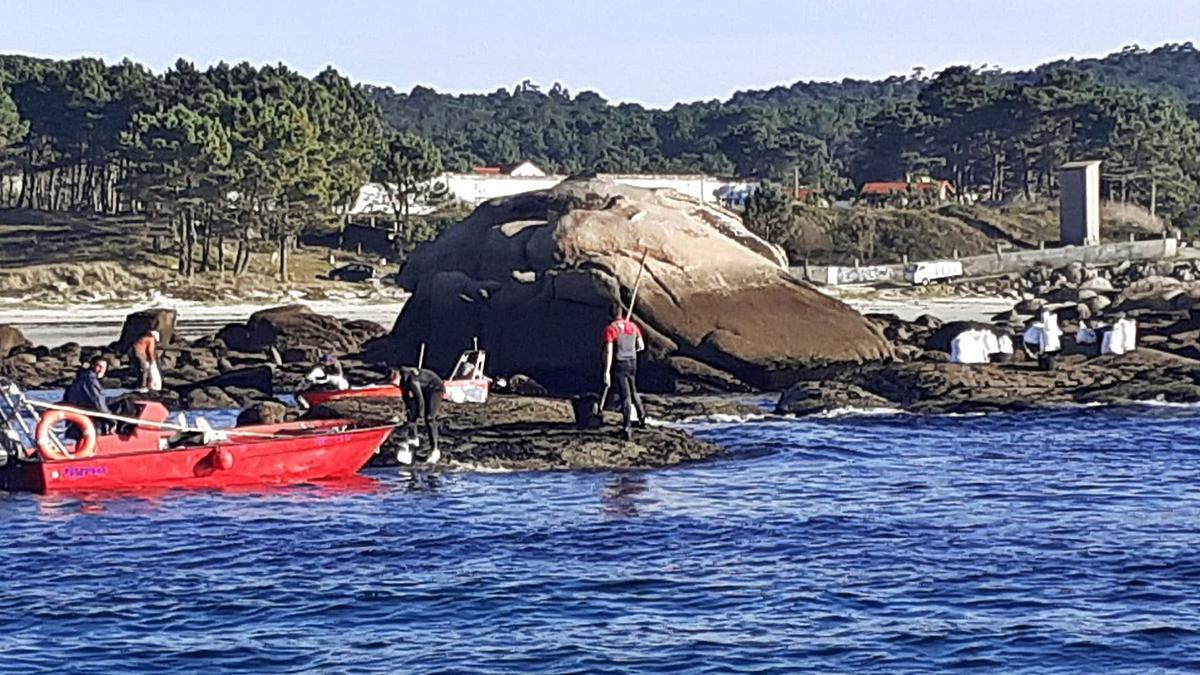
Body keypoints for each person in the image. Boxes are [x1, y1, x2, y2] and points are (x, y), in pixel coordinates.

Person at [603, 310, 647, 440]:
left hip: (620, 363)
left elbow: (608, 351)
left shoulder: (611, 329)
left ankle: (627, 427)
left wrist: (606, 371)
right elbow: (641, 346)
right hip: (632, 362)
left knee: (625, 396)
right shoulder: (633, 326)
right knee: (634, 391)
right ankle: (642, 418)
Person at [393, 367, 444, 465]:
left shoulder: (412, 379)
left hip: (435, 388)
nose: (394, 384)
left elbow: (420, 399)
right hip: (425, 388)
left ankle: (435, 450)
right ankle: (413, 440)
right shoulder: (402, 383)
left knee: (429, 418)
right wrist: (410, 412)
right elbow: (406, 398)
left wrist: (420, 416)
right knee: (411, 416)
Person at [62, 357, 114, 439]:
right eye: (99, 367)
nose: (101, 370)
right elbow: (99, 404)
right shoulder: (91, 381)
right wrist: (112, 421)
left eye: (104, 368)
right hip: (89, 425)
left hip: (75, 425)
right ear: (92, 366)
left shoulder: (78, 379)